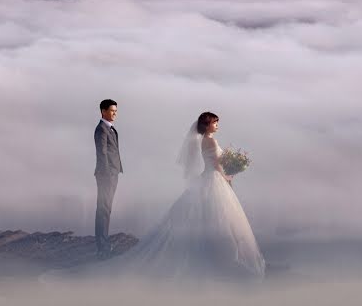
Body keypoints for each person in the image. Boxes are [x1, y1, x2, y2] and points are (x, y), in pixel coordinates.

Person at [122, 111, 265, 279]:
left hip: (208, 177)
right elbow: (217, 165)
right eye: (214, 122)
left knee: (209, 216)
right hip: (215, 178)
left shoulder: (204, 140)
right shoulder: (211, 140)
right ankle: (223, 256)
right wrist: (228, 176)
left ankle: (214, 251)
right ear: (207, 124)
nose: (217, 125)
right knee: (221, 217)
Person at [94, 99, 122, 260]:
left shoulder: (109, 129)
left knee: (106, 209)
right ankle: (102, 248)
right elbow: (102, 153)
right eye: (112, 111)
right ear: (103, 111)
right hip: (106, 175)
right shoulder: (101, 130)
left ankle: (104, 246)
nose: (115, 114)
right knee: (103, 210)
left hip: (113, 173)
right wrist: (107, 174)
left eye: (116, 111)